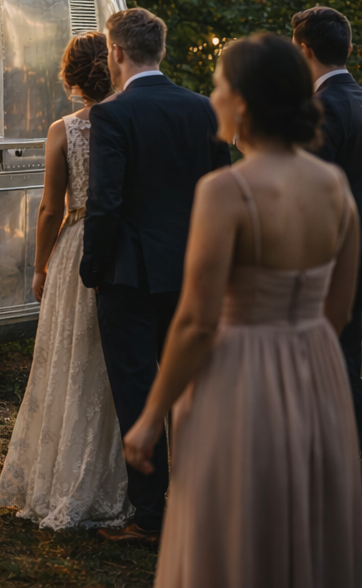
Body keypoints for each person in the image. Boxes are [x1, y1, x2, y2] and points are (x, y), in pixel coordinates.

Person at [123, 33, 362, 587]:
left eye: (218, 86)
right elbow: (339, 310)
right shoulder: (334, 187)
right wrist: (301, 355)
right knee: (304, 521)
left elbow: (197, 323)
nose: (212, 98)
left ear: (245, 104)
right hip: (319, 376)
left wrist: (150, 418)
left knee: (234, 526)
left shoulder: (225, 190)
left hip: (241, 380)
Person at [80, 7, 230, 545]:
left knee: (138, 391)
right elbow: (223, 191)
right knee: (194, 390)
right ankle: (201, 505)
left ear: (116, 53)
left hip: (130, 276)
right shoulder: (205, 109)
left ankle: (149, 516)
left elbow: (106, 203)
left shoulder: (113, 115)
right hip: (194, 270)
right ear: (160, 51)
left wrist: (91, 268)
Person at [0, 32, 129, 528]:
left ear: (69, 76)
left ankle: (62, 478)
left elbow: (52, 207)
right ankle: (115, 481)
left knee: (70, 360)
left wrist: (39, 265)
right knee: (110, 365)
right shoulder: (130, 121)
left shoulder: (65, 129)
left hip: (75, 245)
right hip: (119, 246)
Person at [292, 6, 362, 436]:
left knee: (336, 361)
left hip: (333, 259)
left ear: (304, 50)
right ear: (349, 48)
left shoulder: (316, 110)